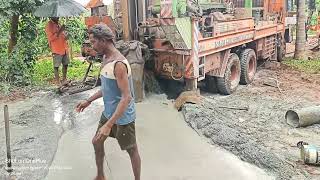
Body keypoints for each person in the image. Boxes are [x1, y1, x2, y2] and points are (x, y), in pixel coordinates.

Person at [75, 24, 141, 180]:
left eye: (93, 42)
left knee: (132, 150)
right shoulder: (105, 58)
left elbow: (127, 97)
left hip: (123, 117)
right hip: (109, 113)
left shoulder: (119, 64)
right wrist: (88, 101)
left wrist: (109, 125)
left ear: (103, 40)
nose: (92, 46)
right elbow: (108, 88)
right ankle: (100, 175)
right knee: (96, 142)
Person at [45, 17, 69, 86]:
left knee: (65, 64)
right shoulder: (49, 25)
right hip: (56, 49)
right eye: (56, 16)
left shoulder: (59, 24)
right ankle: (58, 82)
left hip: (64, 48)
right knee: (56, 66)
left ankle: (64, 79)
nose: (58, 17)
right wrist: (59, 31)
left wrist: (67, 36)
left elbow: (63, 36)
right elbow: (50, 38)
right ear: (52, 16)